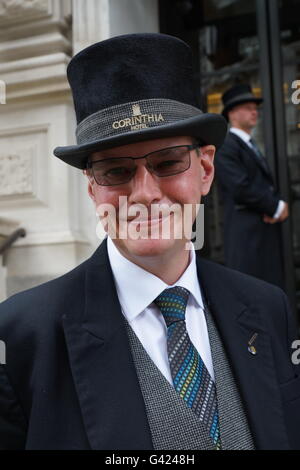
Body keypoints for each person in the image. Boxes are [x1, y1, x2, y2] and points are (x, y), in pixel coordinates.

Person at [0, 34, 299, 451]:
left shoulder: (269, 309)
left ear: (206, 169)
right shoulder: (20, 338)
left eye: (168, 162)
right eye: (116, 171)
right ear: (92, 188)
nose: (144, 193)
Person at [215, 84, 288, 288]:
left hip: (260, 234)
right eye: (247, 107)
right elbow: (240, 187)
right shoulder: (226, 145)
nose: (254, 111)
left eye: (255, 107)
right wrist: (275, 206)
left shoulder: (250, 144)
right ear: (231, 112)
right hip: (247, 237)